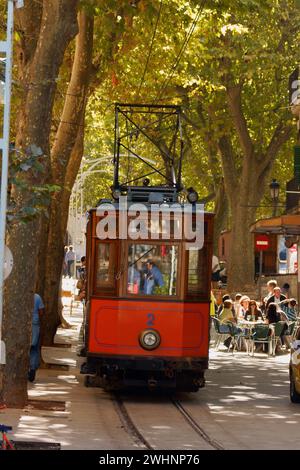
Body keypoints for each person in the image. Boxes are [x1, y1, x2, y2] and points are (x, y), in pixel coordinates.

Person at [28, 293, 45, 382]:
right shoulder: (37, 297)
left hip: (23, 325)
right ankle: (32, 369)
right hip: (35, 324)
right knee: (34, 347)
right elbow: (41, 312)